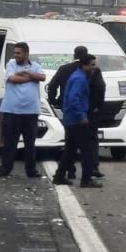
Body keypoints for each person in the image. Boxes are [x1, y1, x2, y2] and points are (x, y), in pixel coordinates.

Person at [47, 45, 107, 180]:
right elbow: (100, 88)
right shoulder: (84, 75)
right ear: (85, 61)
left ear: (74, 55)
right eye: (91, 64)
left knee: (70, 147)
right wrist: (97, 107)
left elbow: (52, 85)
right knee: (87, 145)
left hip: (69, 112)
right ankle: (89, 174)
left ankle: (64, 174)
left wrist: (54, 101)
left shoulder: (65, 69)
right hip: (82, 113)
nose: (93, 67)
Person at [0, 42, 47, 178]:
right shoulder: (11, 64)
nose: (16, 55)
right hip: (12, 110)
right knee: (10, 142)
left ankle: (31, 170)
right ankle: (6, 168)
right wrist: (31, 78)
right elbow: (12, 78)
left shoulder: (35, 66)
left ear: (26, 53)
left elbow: (42, 77)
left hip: (31, 111)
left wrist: (27, 73)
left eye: (19, 53)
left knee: (30, 143)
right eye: (15, 53)